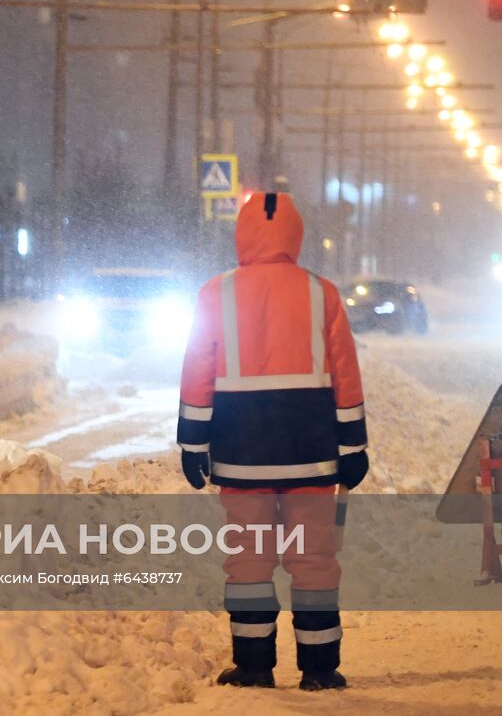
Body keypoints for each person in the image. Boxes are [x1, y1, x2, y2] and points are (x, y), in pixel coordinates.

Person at [176, 191, 367, 691]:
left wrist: (193, 441)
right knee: (315, 559)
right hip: (310, 452)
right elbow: (345, 372)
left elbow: (199, 368)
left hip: (242, 453)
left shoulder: (214, 293)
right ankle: (321, 668)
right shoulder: (321, 293)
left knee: (249, 558)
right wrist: (353, 445)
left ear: (241, 234)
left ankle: (255, 665)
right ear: (296, 235)